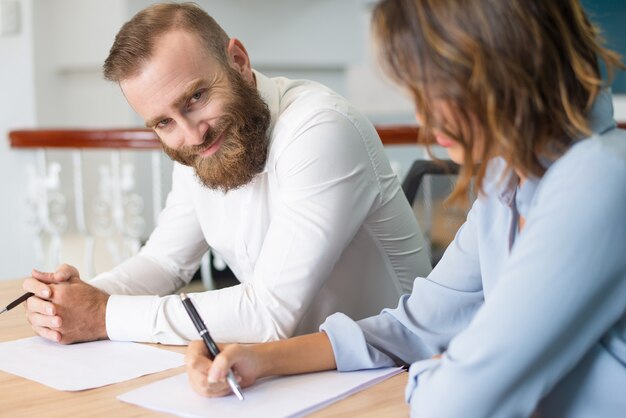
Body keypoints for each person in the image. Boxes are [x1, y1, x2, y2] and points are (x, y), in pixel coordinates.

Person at [184, 0, 626, 416]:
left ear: (508, 66)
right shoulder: (506, 177)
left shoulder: (599, 179)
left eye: (439, 88)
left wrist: (438, 371)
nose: (426, 120)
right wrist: (262, 360)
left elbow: (454, 404)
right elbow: (417, 326)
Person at [21, 3, 432, 345]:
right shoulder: (200, 144)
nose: (191, 134)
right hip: (297, 369)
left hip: (394, 367)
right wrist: (79, 297)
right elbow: (165, 261)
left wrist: (104, 315)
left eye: (196, 97)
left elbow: (268, 314)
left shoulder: (321, 128)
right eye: (163, 123)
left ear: (237, 60)